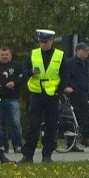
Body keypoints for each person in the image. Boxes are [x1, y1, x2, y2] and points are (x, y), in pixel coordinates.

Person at [20, 29, 69, 163]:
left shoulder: (59, 55)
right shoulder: (33, 54)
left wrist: (59, 91)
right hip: (36, 94)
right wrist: (31, 72)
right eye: (41, 42)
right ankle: (27, 155)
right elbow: (24, 71)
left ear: (51, 41)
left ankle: (47, 155)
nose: (43, 44)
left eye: (46, 42)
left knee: (51, 127)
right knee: (33, 126)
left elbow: (64, 75)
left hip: (52, 95)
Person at [64, 42, 89, 149]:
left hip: (83, 92)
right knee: (87, 112)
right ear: (77, 51)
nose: (87, 52)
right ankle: (86, 137)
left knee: (78, 117)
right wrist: (66, 87)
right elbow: (65, 75)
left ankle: (72, 143)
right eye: (84, 50)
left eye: (88, 50)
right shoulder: (70, 63)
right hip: (74, 93)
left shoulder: (86, 63)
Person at [0, 47, 25, 153]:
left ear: (10, 55)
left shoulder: (17, 65)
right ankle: (3, 146)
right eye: (2, 55)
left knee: (15, 123)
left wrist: (14, 83)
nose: (4, 57)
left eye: (6, 54)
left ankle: (18, 145)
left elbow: (23, 78)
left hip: (12, 99)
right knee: (0, 124)